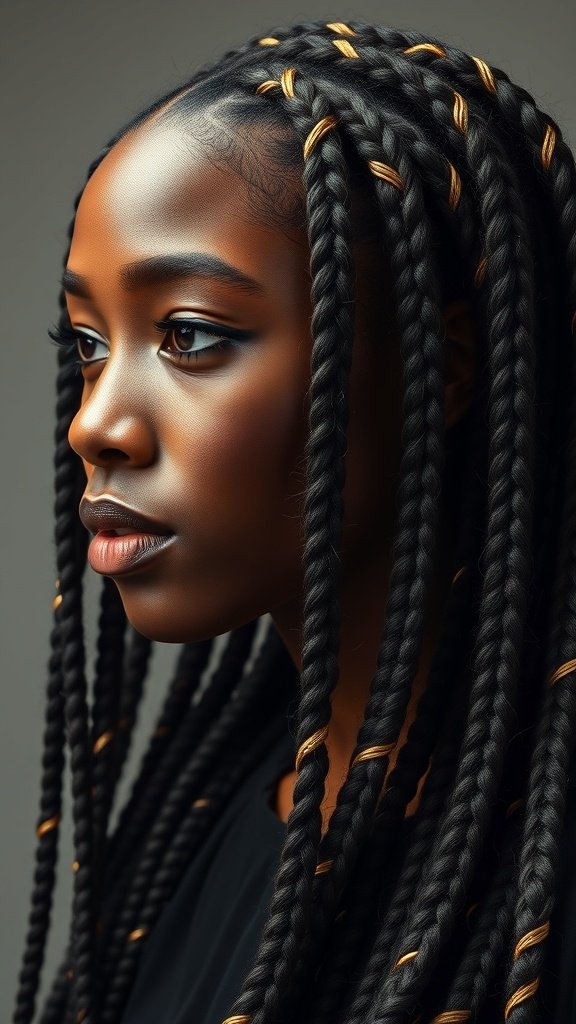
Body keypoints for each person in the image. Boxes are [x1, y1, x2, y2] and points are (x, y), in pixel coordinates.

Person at [11, 16, 576, 1024]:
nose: (95, 422)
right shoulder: (200, 823)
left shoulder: (540, 873)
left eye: (188, 334)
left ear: (438, 370)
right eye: (91, 343)